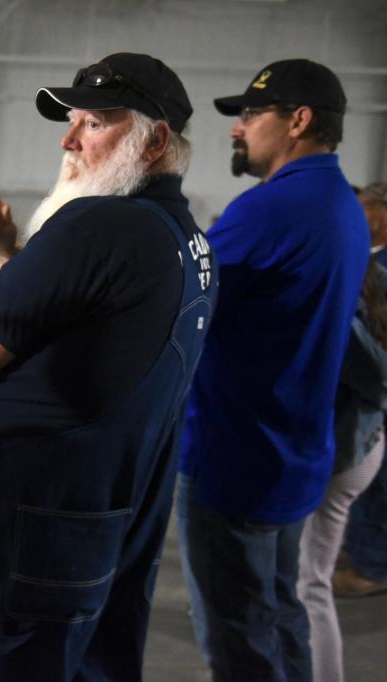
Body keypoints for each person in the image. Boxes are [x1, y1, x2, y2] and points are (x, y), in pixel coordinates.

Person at [0, 52, 217, 681]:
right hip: (110, 501)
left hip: (43, 510)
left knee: (10, 662)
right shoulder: (182, 234)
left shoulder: (99, 222)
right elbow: (81, 311)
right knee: (93, 659)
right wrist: (11, 251)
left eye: (92, 123)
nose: (68, 139)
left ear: (155, 140)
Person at [178, 59, 369, 682]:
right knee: (282, 617)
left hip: (239, 458)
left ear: (299, 120)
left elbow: (174, 301)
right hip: (291, 454)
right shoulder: (340, 202)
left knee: (239, 644)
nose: (237, 128)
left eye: (251, 114)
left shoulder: (270, 209)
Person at [296, 181, 387, 682]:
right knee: (302, 582)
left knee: (309, 586)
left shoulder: (353, 285)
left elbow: (375, 374)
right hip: (353, 445)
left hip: (346, 448)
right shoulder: (364, 274)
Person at [336, 181, 387, 599]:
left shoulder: (380, 267)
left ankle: (372, 566)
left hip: (373, 404)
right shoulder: (371, 261)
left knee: (377, 484)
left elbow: (373, 354)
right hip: (369, 404)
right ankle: (361, 553)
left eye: (363, 208)